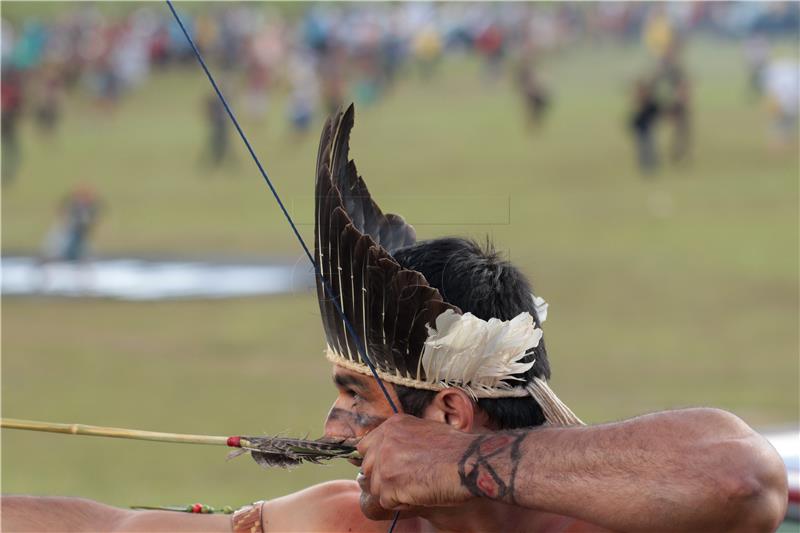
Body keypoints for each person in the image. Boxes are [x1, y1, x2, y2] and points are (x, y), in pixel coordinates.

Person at [2, 105, 789, 533]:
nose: (334, 423)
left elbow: (742, 475)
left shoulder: (618, 513)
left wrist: (455, 467)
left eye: (357, 395)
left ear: (449, 412)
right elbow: (113, 526)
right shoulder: (348, 523)